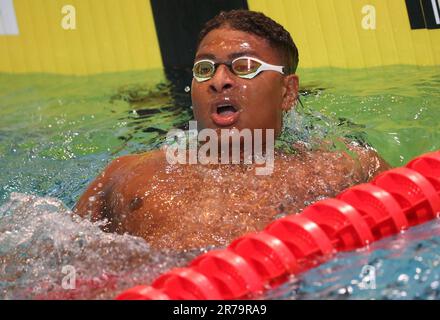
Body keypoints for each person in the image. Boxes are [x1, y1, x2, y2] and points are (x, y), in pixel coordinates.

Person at [74, 10, 390, 250]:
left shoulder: (347, 170)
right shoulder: (126, 177)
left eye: (244, 67)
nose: (219, 80)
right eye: (205, 69)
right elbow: (55, 264)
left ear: (287, 92)